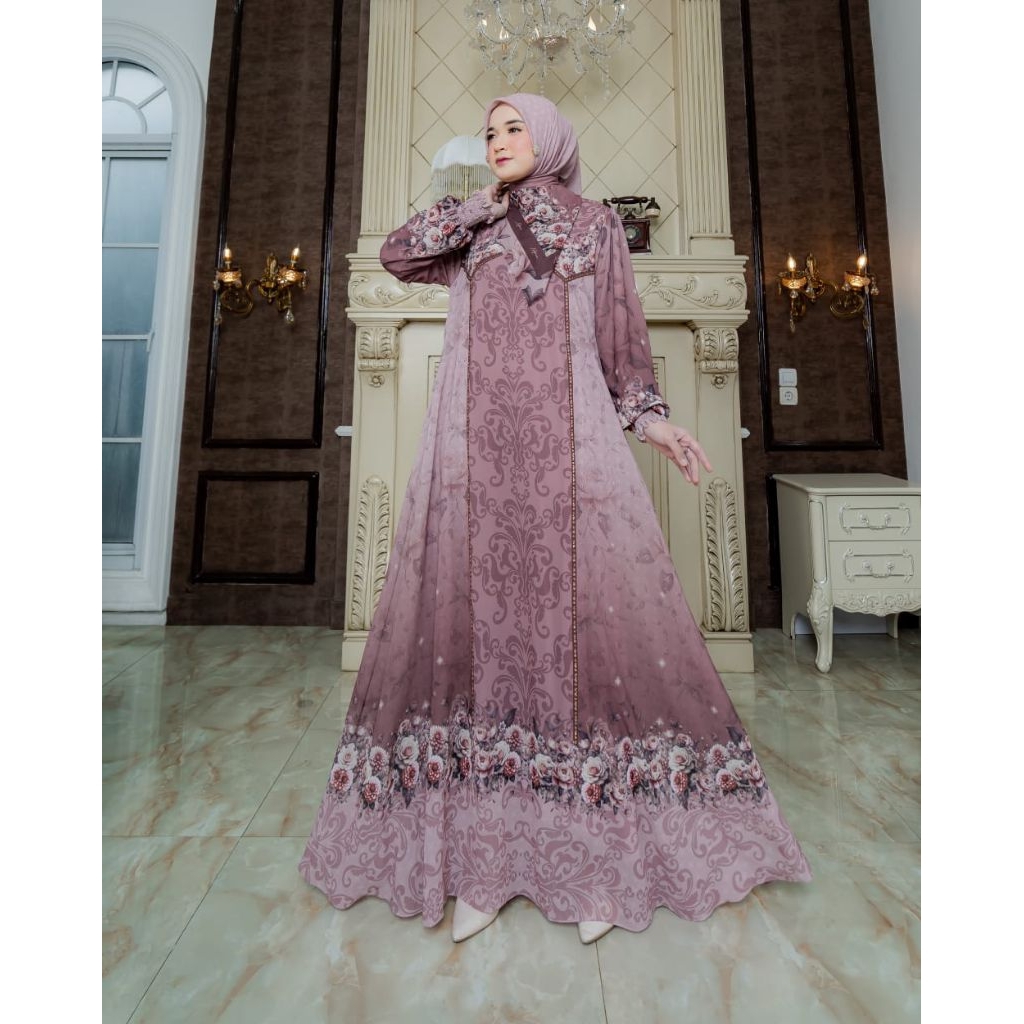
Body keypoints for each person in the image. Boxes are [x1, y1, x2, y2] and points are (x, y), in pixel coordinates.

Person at [299, 93, 811, 945]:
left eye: (515, 128)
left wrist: (654, 422)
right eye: (490, 131)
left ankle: (599, 860)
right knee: (482, 647)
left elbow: (622, 343)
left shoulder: (597, 226)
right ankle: (485, 861)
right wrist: (477, 206)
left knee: (589, 645)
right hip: (473, 459)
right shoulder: (469, 230)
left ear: (552, 139)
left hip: (574, 456)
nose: (499, 141)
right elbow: (394, 254)